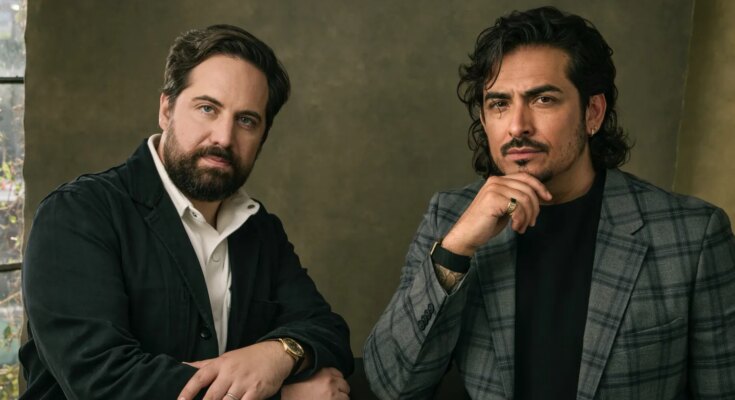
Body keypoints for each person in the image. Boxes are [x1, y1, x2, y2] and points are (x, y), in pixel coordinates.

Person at [364, 6, 735, 399]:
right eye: (499, 103)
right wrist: (456, 251)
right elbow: (393, 387)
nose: (517, 126)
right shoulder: (450, 218)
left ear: (593, 112)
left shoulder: (691, 236)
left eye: (543, 99)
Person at [20, 24, 353, 400]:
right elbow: (104, 383)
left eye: (246, 120)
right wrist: (283, 396)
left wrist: (280, 354)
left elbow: (327, 331)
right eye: (208, 108)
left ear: (262, 136)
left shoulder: (261, 230)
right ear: (166, 110)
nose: (224, 137)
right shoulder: (76, 215)